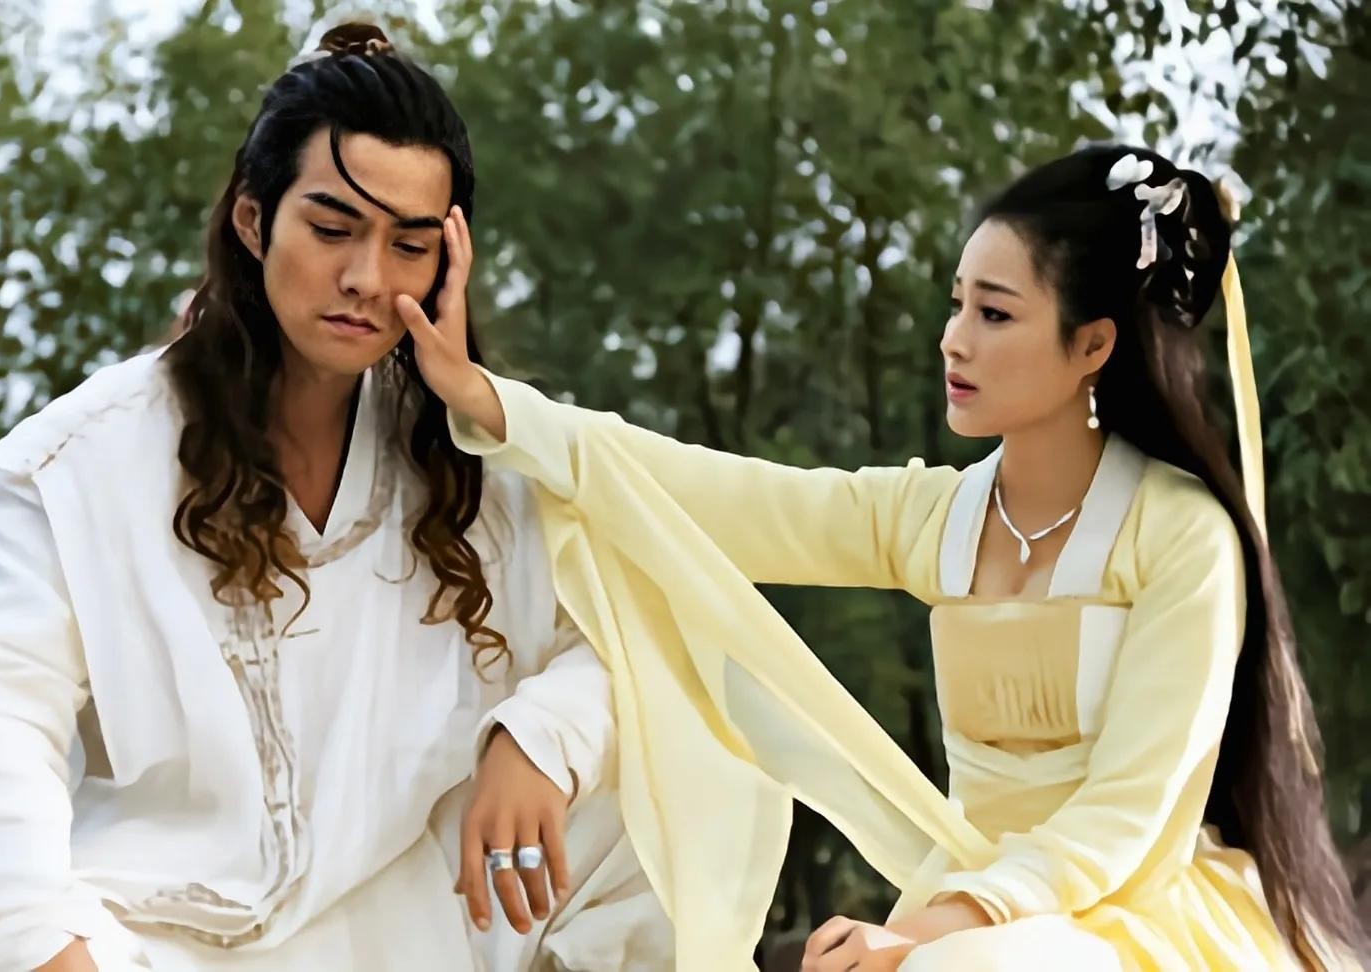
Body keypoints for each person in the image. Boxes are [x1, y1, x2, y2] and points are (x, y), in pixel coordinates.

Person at [402, 145, 1367, 970]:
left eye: (995, 314)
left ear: (1093, 345)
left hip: (1120, 912)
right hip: (969, 904)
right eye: (957, 305)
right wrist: (489, 400)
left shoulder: (1182, 537)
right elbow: (717, 496)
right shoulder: (937, 519)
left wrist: (942, 926)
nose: (953, 341)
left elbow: (1126, 814)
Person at [0, 23, 667, 972]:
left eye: (410, 245)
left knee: (667, 791)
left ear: (449, 261)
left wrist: (543, 737)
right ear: (253, 220)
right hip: (159, 939)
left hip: (416, 928)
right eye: (332, 229)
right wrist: (34, 942)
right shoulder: (82, 465)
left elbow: (631, 631)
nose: (366, 279)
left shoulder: (481, 463)